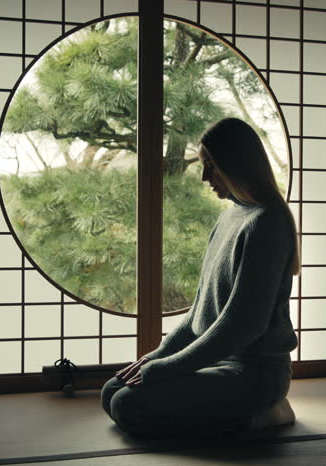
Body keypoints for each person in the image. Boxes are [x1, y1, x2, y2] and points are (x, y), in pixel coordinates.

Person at [100, 117, 300, 439]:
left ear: (236, 165)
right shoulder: (229, 216)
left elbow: (242, 326)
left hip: (255, 373)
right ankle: (241, 413)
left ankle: (262, 412)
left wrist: (165, 368)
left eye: (212, 167)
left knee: (127, 405)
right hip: (217, 362)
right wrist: (154, 358)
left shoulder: (268, 222)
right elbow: (199, 314)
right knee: (112, 391)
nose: (205, 177)